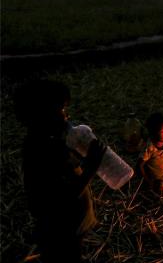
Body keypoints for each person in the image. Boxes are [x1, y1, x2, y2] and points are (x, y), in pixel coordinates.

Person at [17, 79, 107, 263]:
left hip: (70, 226)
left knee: (73, 252)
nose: (66, 116)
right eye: (62, 109)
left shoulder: (51, 141)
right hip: (60, 229)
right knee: (66, 256)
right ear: (42, 114)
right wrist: (90, 166)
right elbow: (61, 196)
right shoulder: (40, 150)